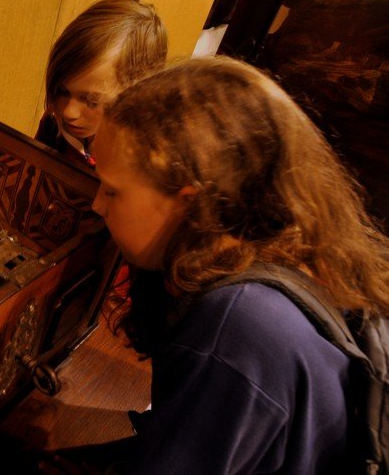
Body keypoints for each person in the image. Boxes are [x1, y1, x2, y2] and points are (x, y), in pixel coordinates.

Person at [84, 57, 389, 473]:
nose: (96, 204)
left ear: (188, 203)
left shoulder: (236, 328)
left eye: (111, 191)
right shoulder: (285, 248)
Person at [35, 0, 167, 168]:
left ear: (138, 94)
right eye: (62, 91)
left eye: (92, 101)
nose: (68, 112)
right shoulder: (54, 124)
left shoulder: (144, 165)